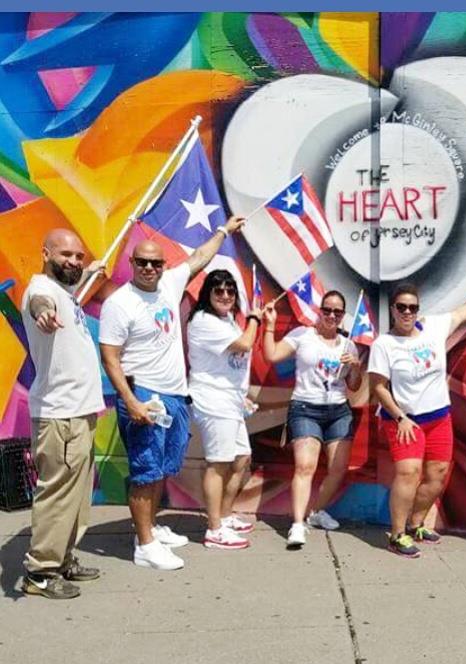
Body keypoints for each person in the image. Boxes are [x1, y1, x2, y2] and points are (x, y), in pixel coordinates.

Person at [99, 215, 245, 571]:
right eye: (143, 262)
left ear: (163, 266)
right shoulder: (120, 303)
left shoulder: (170, 283)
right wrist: (131, 401)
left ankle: (148, 527)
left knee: (164, 466)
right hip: (146, 393)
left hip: (176, 395)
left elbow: (198, 258)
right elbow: (110, 359)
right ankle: (145, 545)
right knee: (145, 471)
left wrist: (224, 231)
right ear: (132, 264)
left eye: (155, 263)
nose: (150, 268)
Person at [368, 281, 466, 558]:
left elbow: (462, 313)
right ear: (392, 309)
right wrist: (400, 417)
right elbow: (378, 387)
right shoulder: (384, 344)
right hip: (404, 420)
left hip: (438, 416)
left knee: (437, 476)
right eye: (401, 307)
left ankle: (416, 524)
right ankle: (397, 534)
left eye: (412, 307)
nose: (407, 312)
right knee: (409, 473)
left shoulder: (434, 327)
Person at [20, 229, 106, 598]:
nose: (73, 261)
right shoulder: (42, 290)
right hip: (61, 415)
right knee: (57, 493)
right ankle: (40, 571)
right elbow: (40, 301)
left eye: (79, 256)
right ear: (45, 253)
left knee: (77, 495)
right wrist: (43, 314)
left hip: (80, 412)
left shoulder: (67, 293)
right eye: (65, 254)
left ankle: (64, 556)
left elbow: (69, 286)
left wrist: (91, 272)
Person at [262, 290, 363, 549]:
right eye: (327, 310)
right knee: (305, 467)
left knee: (338, 469)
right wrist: (270, 325)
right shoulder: (303, 335)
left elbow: (353, 386)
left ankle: (316, 512)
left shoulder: (348, 344)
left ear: (343, 316)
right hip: (306, 408)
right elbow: (272, 355)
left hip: (339, 410)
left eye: (337, 312)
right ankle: (297, 525)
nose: (331, 315)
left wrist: (355, 367)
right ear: (320, 310)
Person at [187, 270, 263, 550]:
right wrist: (254, 319)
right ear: (207, 293)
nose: (226, 296)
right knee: (218, 463)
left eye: (230, 291)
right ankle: (214, 529)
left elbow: (231, 363)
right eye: (219, 290)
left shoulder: (227, 320)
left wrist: (240, 396)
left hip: (230, 401)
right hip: (212, 400)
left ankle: (225, 514)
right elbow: (244, 344)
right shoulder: (204, 321)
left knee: (242, 457)